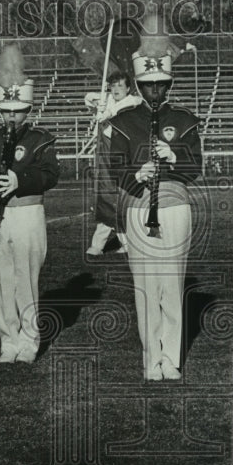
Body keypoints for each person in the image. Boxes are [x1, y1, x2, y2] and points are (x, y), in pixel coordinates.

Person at [109, 29, 202, 381]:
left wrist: (174, 158)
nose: (156, 91)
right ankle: (151, 359)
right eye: (148, 85)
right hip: (138, 208)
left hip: (175, 209)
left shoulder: (184, 119)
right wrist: (137, 172)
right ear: (137, 83)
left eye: (162, 84)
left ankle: (171, 359)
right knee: (147, 289)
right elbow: (114, 169)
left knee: (171, 286)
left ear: (170, 82)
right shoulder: (122, 121)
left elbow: (197, 169)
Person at [0, 45, 60, 363]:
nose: (11, 116)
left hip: (28, 215)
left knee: (26, 280)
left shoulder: (39, 139)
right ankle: (8, 341)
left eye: (18, 110)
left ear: (29, 108)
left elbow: (51, 175)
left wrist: (21, 181)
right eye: (6, 109)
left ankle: (29, 341)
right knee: (2, 280)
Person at [85, 71, 140, 255]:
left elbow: (125, 107)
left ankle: (111, 243)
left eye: (120, 86)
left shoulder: (133, 102)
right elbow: (87, 97)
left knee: (120, 198)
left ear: (128, 88)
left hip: (124, 156)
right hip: (105, 154)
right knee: (106, 196)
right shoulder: (107, 98)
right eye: (113, 85)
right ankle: (108, 244)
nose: (116, 89)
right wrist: (95, 102)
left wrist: (106, 112)